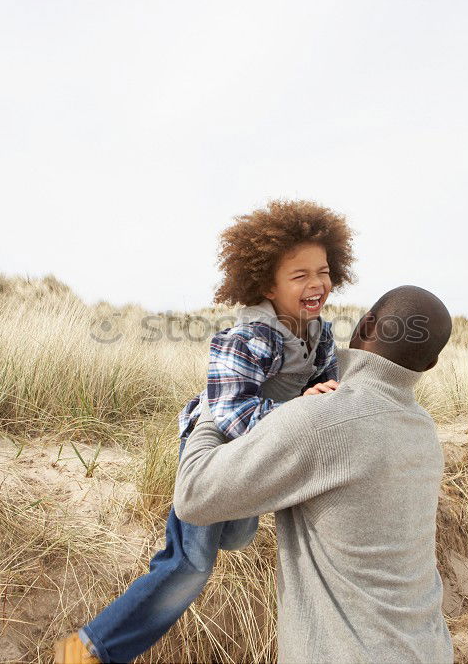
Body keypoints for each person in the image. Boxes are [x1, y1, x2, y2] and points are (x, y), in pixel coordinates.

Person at [54, 199, 357, 664]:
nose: (317, 283)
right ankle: (86, 650)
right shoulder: (247, 337)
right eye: (299, 276)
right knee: (191, 564)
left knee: (236, 536)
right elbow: (233, 412)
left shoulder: (318, 335)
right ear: (266, 286)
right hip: (215, 441)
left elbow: (325, 391)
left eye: (323, 270)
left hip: (264, 442)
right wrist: (299, 410)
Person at [173, 285, 454, 664]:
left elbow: (193, 494)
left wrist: (217, 398)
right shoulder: (424, 431)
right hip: (429, 650)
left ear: (364, 326)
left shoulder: (320, 421)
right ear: (430, 365)